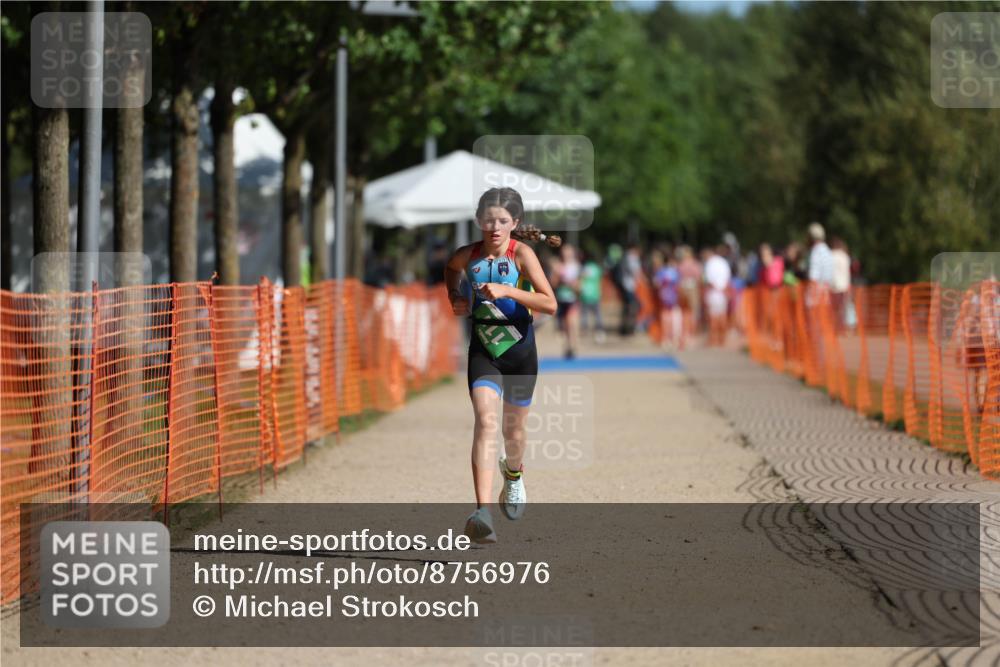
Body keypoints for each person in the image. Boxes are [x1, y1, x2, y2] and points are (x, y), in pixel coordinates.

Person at [444, 188, 557, 544]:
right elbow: (451, 269)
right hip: (484, 350)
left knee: (514, 434)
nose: (495, 227)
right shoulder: (468, 256)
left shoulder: (522, 255)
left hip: (520, 350)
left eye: (503, 221)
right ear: (479, 221)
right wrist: (455, 295)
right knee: (485, 422)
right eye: (489, 220)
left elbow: (550, 303)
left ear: (515, 224)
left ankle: (514, 475)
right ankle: (482, 513)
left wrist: (508, 292)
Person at [551, 244, 582, 359]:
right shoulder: (558, 266)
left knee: (571, 323)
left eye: (568, 253)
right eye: (564, 253)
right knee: (563, 326)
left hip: (572, 299)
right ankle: (567, 347)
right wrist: (558, 275)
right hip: (561, 299)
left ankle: (573, 347)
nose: (566, 255)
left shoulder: (576, 267)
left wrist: (570, 283)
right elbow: (553, 284)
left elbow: (579, 286)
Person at [652, 250, 683, 350]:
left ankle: (666, 338)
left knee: (665, 316)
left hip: (664, 295)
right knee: (674, 317)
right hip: (673, 296)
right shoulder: (675, 271)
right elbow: (679, 284)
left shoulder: (662, 272)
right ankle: (674, 338)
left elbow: (656, 283)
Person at [703, 245, 732, 346]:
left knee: (713, 317)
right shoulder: (724, 262)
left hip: (714, 293)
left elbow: (708, 280)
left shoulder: (710, 263)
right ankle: (722, 338)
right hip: (722, 293)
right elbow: (728, 278)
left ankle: (714, 338)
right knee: (722, 315)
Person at [579, 250, 606, 342]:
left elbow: (581, 280)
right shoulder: (597, 268)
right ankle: (600, 331)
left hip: (585, 294)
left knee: (584, 315)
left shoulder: (585, 268)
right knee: (597, 315)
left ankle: (585, 331)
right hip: (595, 294)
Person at [830, 237, 851, 331]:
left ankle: (835, 326)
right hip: (844, 285)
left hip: (834, 285)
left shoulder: (831, 255)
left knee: (834, 308)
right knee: (843, 308)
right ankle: (842, 327)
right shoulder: (845, 256)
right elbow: (847, 272)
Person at [807, 222, 834, 288]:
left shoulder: (816, 251)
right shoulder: (827, 250)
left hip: (817, 292)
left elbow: (813, 276)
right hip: (826, 291)